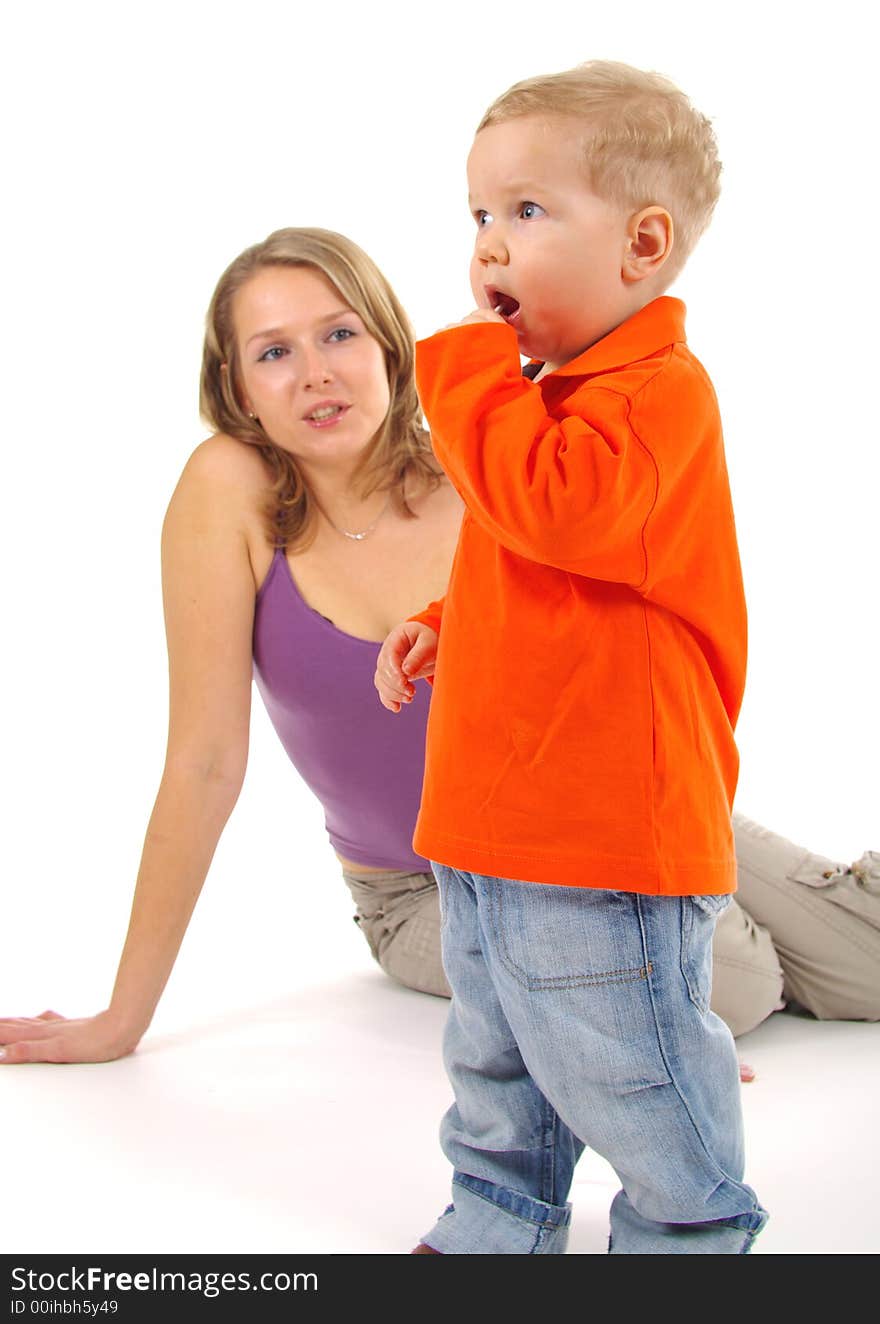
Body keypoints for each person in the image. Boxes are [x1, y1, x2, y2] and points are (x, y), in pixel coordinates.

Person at [0, 227, 876, 1073]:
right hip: (426, 890)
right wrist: (121, 1019)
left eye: (339, 334)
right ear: (238, 386)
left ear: (388, 344)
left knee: (867, 963)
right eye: (274, 353)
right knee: (745, 979)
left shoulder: (487, 466)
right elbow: (203, 764)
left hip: (610, 816)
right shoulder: (229, 490)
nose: (314, 375)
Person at [374, 59, 773, 1254]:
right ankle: (502, 1210)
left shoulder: (657, 392)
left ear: (642, 245)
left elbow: (560, 515)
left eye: (527, 213)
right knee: (494, 1054)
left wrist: (466, 369)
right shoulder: (548, 402)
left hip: (602, 832)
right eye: (479, 217)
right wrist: (453, 615)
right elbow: (545, 565)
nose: (489, 245)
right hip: (496, 820)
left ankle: (689, 1229)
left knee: (626, 1063)